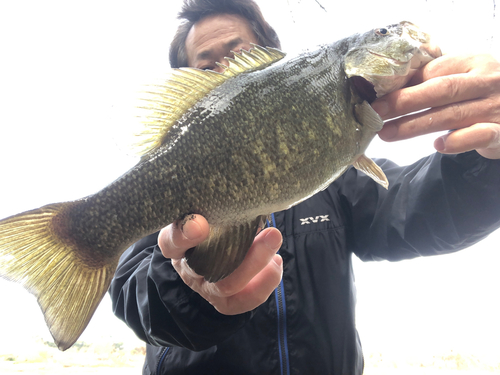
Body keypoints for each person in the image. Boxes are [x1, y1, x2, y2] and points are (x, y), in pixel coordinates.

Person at [109, 0, 500, 373]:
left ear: (272, 60)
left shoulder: (339, 182)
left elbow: (421, 210)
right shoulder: (164, 185)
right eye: (207, 67)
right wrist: (186, 285)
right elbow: (131, 290)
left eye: (238, 54)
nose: (225, 71)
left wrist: (489, 156)